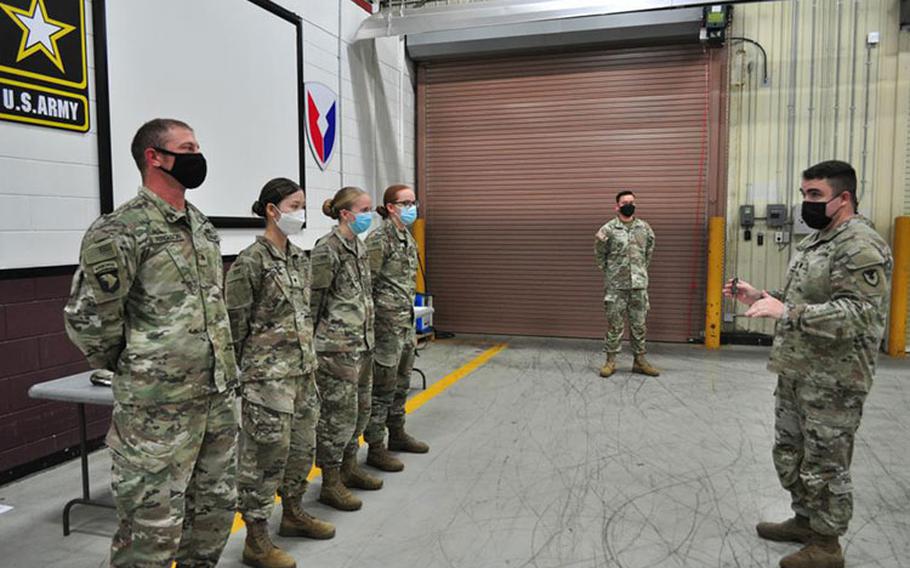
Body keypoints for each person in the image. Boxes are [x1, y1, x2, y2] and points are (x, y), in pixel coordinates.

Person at [64, 118, 238, 567]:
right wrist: (142, 366)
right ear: (154, 157)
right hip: (156, 410)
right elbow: (89, 319)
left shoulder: (200, 225)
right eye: (187, 147)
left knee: (213, 514)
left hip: (215, 400)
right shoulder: (120, 229)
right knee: (151, 530)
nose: (197, 156)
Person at [724, 160, 892, 568]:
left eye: (815, 195)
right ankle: (804, 521)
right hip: (799, 370)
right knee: (791, 452)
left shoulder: (860, 245)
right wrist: (761, 296)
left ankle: (827, 545)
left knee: (826, 463)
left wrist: (788, 312)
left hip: (834, 379)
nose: (806, 203)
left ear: (844, 198)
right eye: (803, 195)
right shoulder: (818, 241)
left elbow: (861, 315)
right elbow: (806, 297)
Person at [226, 178, 335, 568]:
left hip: (303, 376)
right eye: (294, 205)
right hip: (267, 383)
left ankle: (292, 514)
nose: (301, 213)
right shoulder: (249, 263)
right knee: (263, 459)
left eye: (303, 205)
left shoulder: (300, 259)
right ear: (272, 210)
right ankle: (256, 539)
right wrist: (247, 377)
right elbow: (234, 328)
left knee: (301, 450)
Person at [310, 186, 380, 511]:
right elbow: (314, 303)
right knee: (336, 417)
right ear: (345, 214)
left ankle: (351, 468)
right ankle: (331, 481)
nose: (368, 216)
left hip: (363, 344)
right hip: (336, 349)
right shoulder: (327, 249)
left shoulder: (359, 246)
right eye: (364, 210)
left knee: (360, 410)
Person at [363, 184, 429, 474]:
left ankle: (397, 433)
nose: (412, 207)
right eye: (406, 202)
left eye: (414, 202)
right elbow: (368, 283)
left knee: (402, 382)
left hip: (404, 323)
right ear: (391, 207)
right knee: (383, 387)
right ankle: (376, 447)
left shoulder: (406, 237)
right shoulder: (379, 239)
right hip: (385, 326)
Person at [594, 190, 660, 378]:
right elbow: (600, 255)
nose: (629, 204)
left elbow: (648, 253)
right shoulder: (607, 230)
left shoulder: (644, 228)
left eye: (632, 202)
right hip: (616, 286)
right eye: (625, 202)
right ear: (617, 206)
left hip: (638, 285)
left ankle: (639, 361)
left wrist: (639, 272)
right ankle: (610, 361)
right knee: (615, 325)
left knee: (639, 325)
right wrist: (612, 273)